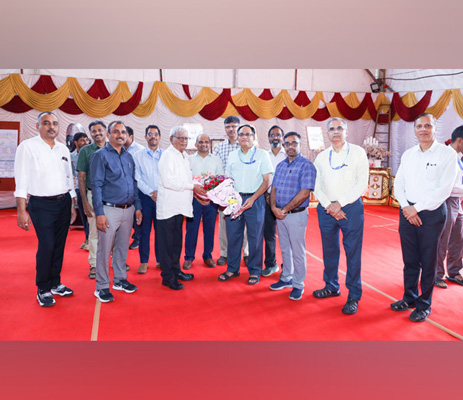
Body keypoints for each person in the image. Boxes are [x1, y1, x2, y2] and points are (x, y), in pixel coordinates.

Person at [391, 113, 458, 322]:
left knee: (428, 260)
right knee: (410, 259)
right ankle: (409, 298)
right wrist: (406, 207)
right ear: (414, 130)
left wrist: (416, 209)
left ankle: (424, 304)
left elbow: (444, 189)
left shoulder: (447, 154)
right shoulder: (408, 154)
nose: (423, 129)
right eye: (419, 126)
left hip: (431, 214)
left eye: (428, 126)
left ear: (435, 129)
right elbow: (399, 183)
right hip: (407, 212)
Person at [14, 111, 77, 307]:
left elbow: (69, 177)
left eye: (55, 123)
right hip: (41, 205)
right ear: (38, 126)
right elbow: (21, 180)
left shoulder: (62, 148)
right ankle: (43, 288)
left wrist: (72, 203)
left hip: (64, 202)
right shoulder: (27, 147)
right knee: (47, 245)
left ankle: (55, 283)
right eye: (47, 123)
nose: (51, 127)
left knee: (59, 245)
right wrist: (21, 211)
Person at [313, 117, 369, 315]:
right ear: (327, 133)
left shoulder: (358, 153)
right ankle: (331, 286)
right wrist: (329, 205)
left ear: (346, 131)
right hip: (326, 209)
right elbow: (315, 185)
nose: (335, 132)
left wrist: (340, 204)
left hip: (350, 208)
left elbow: (362, 183)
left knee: (353, 252)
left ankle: (353, 295)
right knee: (329, 250)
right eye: (331, 129)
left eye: (339, 128)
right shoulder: (321, 157)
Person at [90, 121, 142, 303]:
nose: (121, 135)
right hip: (108, 209)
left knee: (122, 247)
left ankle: (119, 279)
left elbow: (133, 183)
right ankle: (102, 286)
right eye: (116, 132)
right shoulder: (100, 156)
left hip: (128, 209)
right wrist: (99, 213)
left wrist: (138, 207)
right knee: (104, 249)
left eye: (123, 132)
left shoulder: (128, 157)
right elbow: (96, 185)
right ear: (108, 134)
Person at [218, 124, 273, 285]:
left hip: (255, 200)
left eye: (248, 134)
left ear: (254, 137)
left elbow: (267, 180)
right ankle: (232, 268)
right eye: (241, 134)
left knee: (255, 237)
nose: (244, 137)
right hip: (235, 200)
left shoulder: (262, 154)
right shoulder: (233, 155)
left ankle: (254, 271)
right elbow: (228, 178)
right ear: (238, 137)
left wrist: (253, 198)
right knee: (233, 235)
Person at [157, 126, 208, 290]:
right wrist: (192, 186)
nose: (184, 141)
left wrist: (197, 184)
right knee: (167, 245)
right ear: (171, 139)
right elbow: (168, 181)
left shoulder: (184, 155)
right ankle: (167, 277)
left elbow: (186, 179)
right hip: (168, 207)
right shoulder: (167, 156)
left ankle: (176, 271)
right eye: (180, 138)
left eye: (186, 138)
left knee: (176, 243)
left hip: (180, 207)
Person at [269, 132, 316, 300]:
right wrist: (273, 207)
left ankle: (298, 284)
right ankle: (286, 278)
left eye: (294, 143)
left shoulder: (306, 165)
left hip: (295, 215)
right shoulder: (280, 165)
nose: (290, 146)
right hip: (279, 214)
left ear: (300, 145)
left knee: (297, 250)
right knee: (285, 248)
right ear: (284, 146)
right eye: (287, 143)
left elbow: (304, 193)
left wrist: (285, 209)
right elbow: (274, 188)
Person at [183, 134, 224, 270]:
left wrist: (210, 195)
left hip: (211, 201)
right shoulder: (188, 160)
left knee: (210, 229)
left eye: (206, 142)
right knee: (191, 229)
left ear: (210, 145)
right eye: (201, 142)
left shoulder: (217, 160)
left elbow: (220, 179)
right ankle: (189, 257)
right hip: (193, 199)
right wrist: (196, 195)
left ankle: (207, 256)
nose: (204, 144)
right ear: (196, 144)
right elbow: (186, 179)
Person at [213, 116, 249, 266]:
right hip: (225, 194)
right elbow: (216, 169)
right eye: (228, 126)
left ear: (239, 128)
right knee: (224, 224)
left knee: (244, 224)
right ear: (225, 129)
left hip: (243, 190)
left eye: (234, 126)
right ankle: (225, 253)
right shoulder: (220, 147)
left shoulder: (245, 145)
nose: (231, 129)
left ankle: (246, 253)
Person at [76, 120, 107, 279]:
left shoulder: (114, 148)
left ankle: (114, 261)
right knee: (94, 231)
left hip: (113, 197)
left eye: (100, 130)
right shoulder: (85, 151)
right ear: (90, 134)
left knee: (113, 231)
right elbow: (81, 178)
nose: (97, 133)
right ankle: (94, 264)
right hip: (92, 195)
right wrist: (85, 202)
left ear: (106, 131)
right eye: (94, 131)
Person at [133, 125, 163, 274]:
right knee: (144, 231)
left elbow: (168, 175)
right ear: (145, 137)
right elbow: (137, 178)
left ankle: (160, 260)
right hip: (145, 198)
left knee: (161, 231)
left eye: (155, 134)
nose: (153, 136)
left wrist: (159, 192)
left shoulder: (166, 155)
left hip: (163, 198)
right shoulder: (138, 155)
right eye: (150, 134)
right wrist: (151, 192)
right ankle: (144, 261)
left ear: (159, 137)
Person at [436, 126, 463, 288]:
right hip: (445, 200)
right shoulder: (446, 156)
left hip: (457, 201)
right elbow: (447, 185)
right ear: (460, 141)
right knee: (443, 240)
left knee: (458, 238)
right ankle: (436, 274)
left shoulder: (458, 157)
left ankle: (454, 271)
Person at [262, 125, 286, 277]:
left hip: (287, 201)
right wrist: (267, 196)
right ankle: (271, 264)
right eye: (272, 135)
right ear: (268, 137)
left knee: (286, 235)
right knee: (269, 234)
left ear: (282, 138)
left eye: (278, 135)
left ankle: (288, 266)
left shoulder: (289, 154)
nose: (275, 137)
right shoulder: (264, 155)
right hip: (268, 199)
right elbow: (261, 177)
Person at [125, 126, 144, 250]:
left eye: (124, 134)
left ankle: (138, 238)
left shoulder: (140, 150)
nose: (121, 136)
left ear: (131, 136)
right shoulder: (119, 149)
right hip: (124, 188)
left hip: (137, 187)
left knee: (138, 212)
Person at [71, 131, 90, 250]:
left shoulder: (92, 152)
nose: (85, 142)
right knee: (83, 215)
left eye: (86, 140)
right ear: (75, 142)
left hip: (91, 188)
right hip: (79, 188)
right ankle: (87, 238)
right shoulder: (71, 156)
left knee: (91, 215)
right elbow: (70, 173)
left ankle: (91, 240)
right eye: (82, 140)